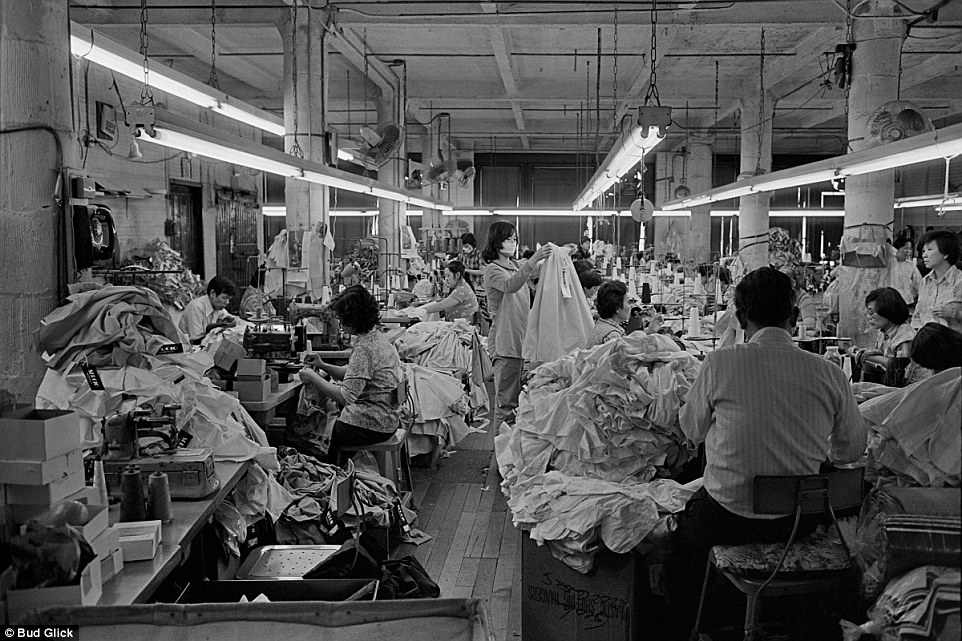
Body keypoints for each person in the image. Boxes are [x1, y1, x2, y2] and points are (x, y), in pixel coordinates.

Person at [667, 266, 865, 634]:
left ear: (741, 317)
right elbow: (851, 449)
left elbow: (691, 431)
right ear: (793, 317)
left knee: (680, 551)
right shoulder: (829, 372)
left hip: (728, 517)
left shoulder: (719, 364)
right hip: (799, 521)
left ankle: (699, 626)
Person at [299, 285, 402, 461]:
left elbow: (345, 396)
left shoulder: (364, 349)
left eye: (340, 318)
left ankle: (331, 476)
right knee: (322, 421)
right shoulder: (377, 339)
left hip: (371, 424)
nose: (338, 323)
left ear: (351, 319)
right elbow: (354, 374)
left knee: (307, 436)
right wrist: (322, 365)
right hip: (386, 418)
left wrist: (313, 377)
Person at [483, 221, 550, 426]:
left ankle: (509, 450)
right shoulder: (494, 270)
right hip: (506, 343)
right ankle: (500, 455)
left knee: (515, 405)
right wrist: (535, 257)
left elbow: (533, 271)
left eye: (514, 239)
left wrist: (558, 254)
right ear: (496, 242)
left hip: (519, 340)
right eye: (508, 239)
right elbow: (510, 285)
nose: (513, 243)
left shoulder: (514, 266)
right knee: (506, 406)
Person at [912, 230, 962, 328]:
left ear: (946, 253)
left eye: (930, 249)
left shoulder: (959, 281)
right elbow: (917, 315)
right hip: (925, 341)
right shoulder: (925, 282)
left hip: (952, 341)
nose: (924, 255)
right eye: (924, 251)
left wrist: (953, 313)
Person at [854, 287, 916, 364]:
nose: (868, 317)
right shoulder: (883, 332)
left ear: (887, 311)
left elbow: (900, 370)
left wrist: (869, 357)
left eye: (872, 313)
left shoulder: (905, 338)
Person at [409, 260, 479, 322]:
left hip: (463, 327)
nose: (446, 279)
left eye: (448, 276)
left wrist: (421, 311)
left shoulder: (462, 290)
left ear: (457, 275)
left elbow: (441, 306)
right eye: (445, 276)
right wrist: (424, 305)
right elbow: (445, 302)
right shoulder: (461, 287)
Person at [178, 275, 238, 343]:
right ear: (213, 293)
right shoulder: (196, 308)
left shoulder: (217, 307)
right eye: (224, 298)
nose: (227, 302)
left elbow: (231, 318)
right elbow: (196, 340)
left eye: (229, 299)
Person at [587, 281, 629, 347]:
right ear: (617, 308)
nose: (630, 306)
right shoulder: (613, 336)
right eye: (627, 301)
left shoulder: (602, 325)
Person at [891, 237, 921, 307]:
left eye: (910, 249)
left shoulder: (911, 265)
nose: (908, 251)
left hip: (907, 301)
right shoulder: (890, 264)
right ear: (897, 248)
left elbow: (918, 282)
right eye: (905, 248)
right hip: (891, 300)